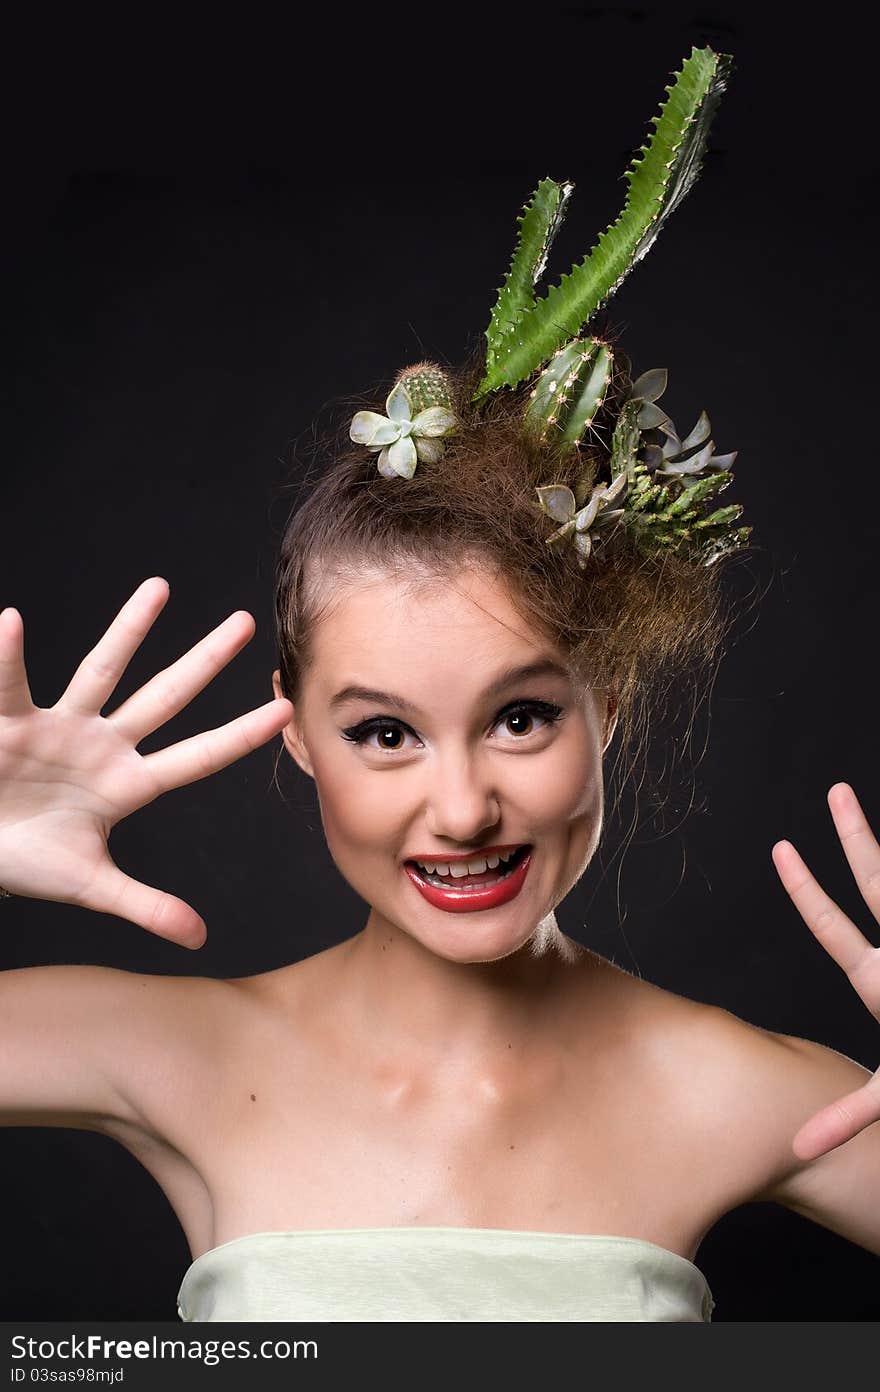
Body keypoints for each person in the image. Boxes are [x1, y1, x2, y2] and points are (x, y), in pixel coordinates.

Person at [1, 45, 879, 1325]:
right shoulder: (169, 1052)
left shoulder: (748, 1092)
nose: (461, 809)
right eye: (383, 734)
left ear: (607, 709)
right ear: (297, 739)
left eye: (520, 717)